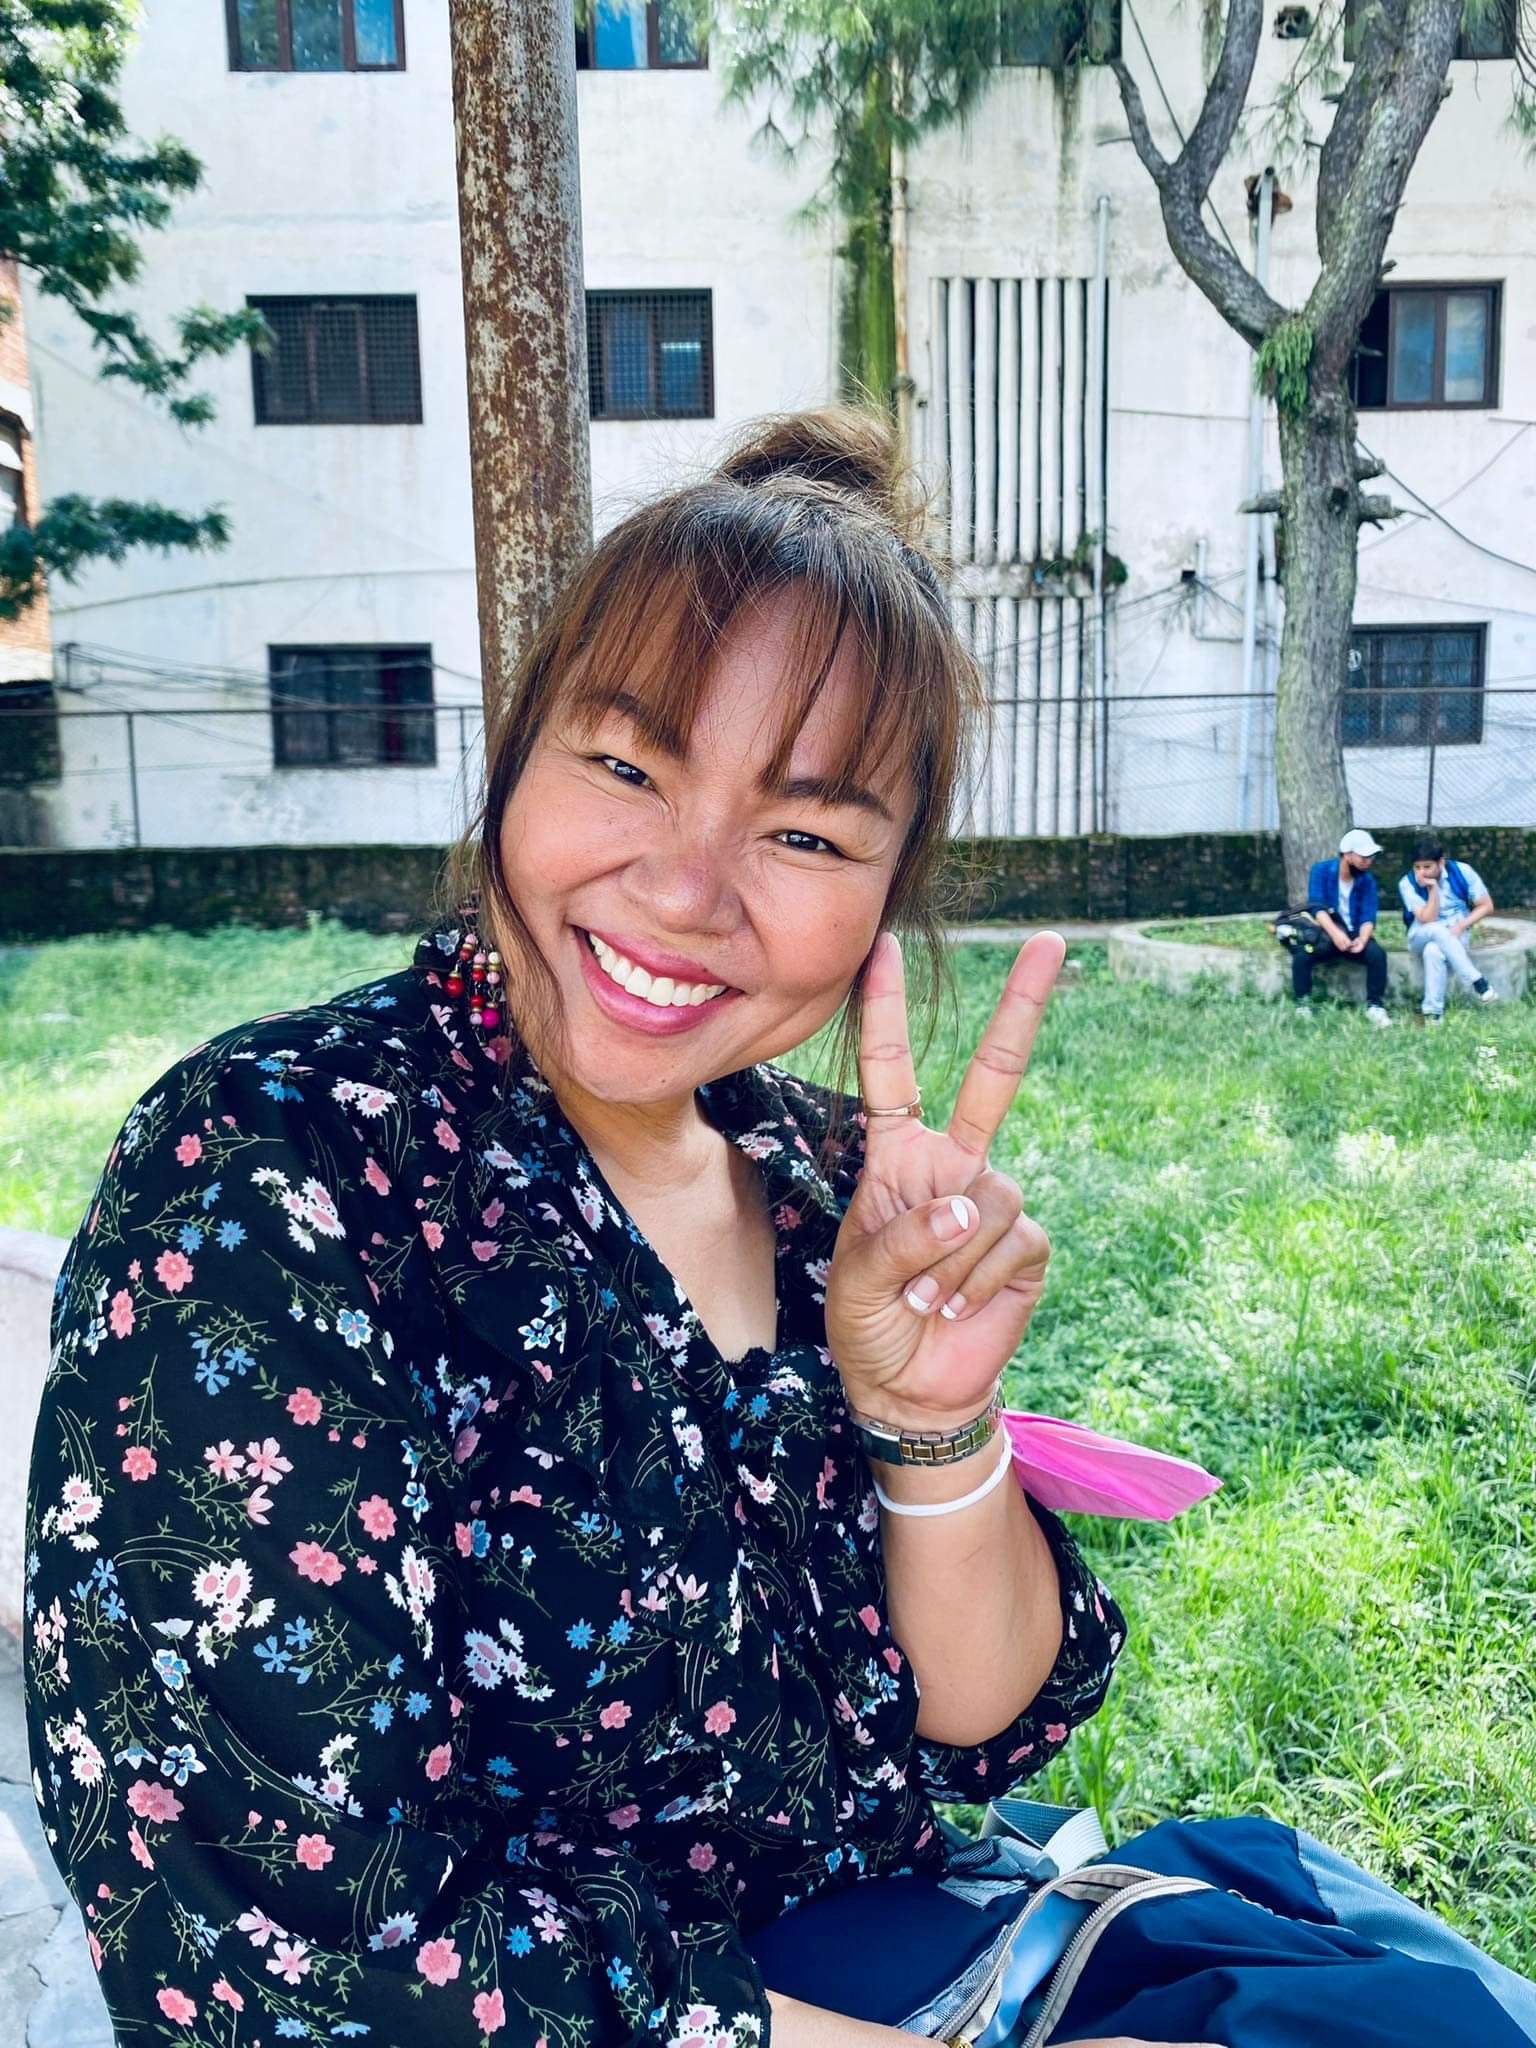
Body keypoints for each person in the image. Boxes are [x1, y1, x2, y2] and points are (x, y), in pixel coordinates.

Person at [24, 410, 1140, 2048]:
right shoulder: (275, 1170)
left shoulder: (822, 1175)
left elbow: (972, 1725)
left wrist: (932, 1424)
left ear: (890, 891)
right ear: (516, 755)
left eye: (805, 833)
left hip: (928, 1951)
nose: (686, 891)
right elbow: (286, 1957)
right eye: (626, 767)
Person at [1293, 828, 1392, 1026]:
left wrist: (1362, 940)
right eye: (1363, 857)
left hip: (1354, 933)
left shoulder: (1367, 881)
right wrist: (1336, 935)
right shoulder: (1321, 871)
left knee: (1377, 955)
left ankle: (1375, 1007)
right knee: (1302, 956)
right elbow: (1317, 908)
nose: (1368, 861)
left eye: (1371, 857)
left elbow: (1368, 916)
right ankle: (1303, 1005)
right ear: (1347, 855)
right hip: (1327, 932)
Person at [1398, 836, 1499, 1022]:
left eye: (1427, 867)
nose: (1421, 873)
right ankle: (1477, 980)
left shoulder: (1462, 871)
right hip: (1420, 934)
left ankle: (1433, 1014)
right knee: (1436, 930)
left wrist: (1461, 925)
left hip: (1455, 932)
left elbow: (1486, 905)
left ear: (1441, 862)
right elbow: (1428, 919)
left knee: (1433, 951)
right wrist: (1432, 889)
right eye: (1417, 867)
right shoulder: (1407, 883)